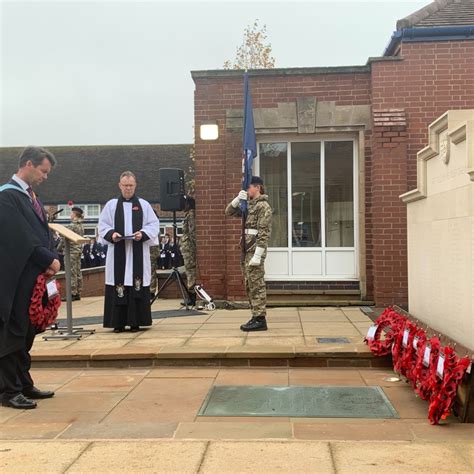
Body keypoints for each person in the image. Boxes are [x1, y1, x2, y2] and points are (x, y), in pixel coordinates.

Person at [0, 146, 60, 409]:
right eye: (43, 171)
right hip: (14, 279)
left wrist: (51, 256)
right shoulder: (7, 197)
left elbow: (43, 234)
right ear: (28, 164)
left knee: (27, 331)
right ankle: (8, 390)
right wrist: (48, 259)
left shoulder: (29, 197)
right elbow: (20, 238)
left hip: (33, 276)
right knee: (13, 331)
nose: (45, 177)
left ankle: (23, 383)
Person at [98, 171, 159, 333]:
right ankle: (117, 323)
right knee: (119, 283)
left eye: (131, 185)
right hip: (118, 251)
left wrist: (142, 234)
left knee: (136, 284)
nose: (128, 189)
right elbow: (102, 226)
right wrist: (113, 234)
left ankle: (135, 322)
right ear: (119, 185)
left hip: (137, 252)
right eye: (125, 185)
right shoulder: (111, 205)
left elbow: (154, 225)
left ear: (135, 185)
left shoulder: (144, 205)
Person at [225, 176, 272, 332]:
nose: (247, 190)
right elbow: (228, 212)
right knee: (249, 285)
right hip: (246, 249)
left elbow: (264, 233)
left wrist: (258, 255)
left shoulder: (263, 206)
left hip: (254, 250)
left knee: (257, 284)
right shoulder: (248, 205)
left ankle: (260, 318)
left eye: (249, 187)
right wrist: (238, 199)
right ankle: (255, 315)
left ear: (257, 187)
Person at [58, 206, 84, 301]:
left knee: (70, 272)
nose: (70, 215)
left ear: (75, 215)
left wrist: (58, 248)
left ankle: (72, 293)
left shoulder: (72, 225)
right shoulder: (80, 225)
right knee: (77, 272)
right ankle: (78, 292)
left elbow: (63, 237)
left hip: (71, 251)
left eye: (71, 213)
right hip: (77, 251)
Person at [180, 196, 197, 306]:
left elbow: (192, 232)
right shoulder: (188, 214)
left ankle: (192, 297)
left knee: (190, 272)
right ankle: (191, 295)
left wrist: (194, 248)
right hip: (188, 248)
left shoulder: (191, 215)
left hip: (190, 249)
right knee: (189, 271)